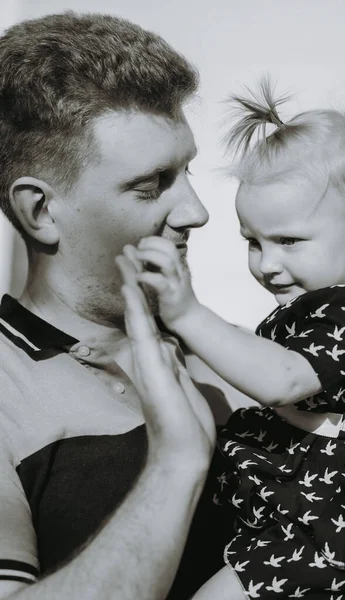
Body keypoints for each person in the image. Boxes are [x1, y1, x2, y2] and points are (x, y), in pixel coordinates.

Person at [120, 80, 345, 599]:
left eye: (289, 241)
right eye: (253, 242)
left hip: (337, 531)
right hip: (312, 517)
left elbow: (282, 379)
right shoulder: (330, 304)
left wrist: (185, 312)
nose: (267, 265)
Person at [0, 11, 245, 600]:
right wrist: (176, 464)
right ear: (41, 211)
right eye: (151, 183)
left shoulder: (243, 357)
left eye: (186, 171)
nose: (195, 213)